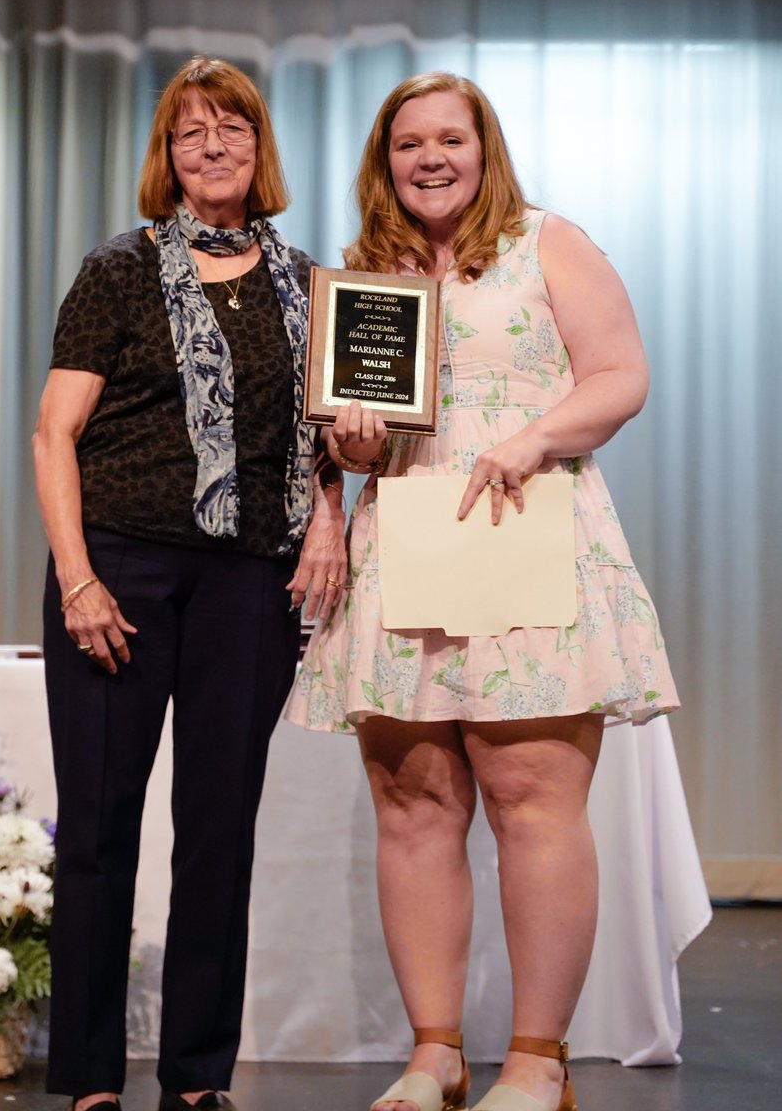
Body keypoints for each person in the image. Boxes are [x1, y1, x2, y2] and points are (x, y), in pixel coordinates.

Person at [284, 72, 679, 1111]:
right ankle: (435, 1054)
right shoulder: (367, 274)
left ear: (482, 147)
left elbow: (618, 375)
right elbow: (343, 431)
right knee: (414, 803)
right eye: (407, 143)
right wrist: (352, 440)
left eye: (448, 139)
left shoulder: (548, 242)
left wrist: (530, 438)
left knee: (530, 799)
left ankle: (537, 1064)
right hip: (406, 537)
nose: (429, 158)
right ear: (384, 159)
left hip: (527, 530)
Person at [32, 56, 347, 1111]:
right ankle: (83, 1076)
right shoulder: (118, 270)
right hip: (117, 568)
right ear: (164, 158)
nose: (210, 147)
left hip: (250, 583)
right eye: (188, 133)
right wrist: (77, 580)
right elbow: (53, 433)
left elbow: (330, 446)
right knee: (99, 828)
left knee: (220, 826)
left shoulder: (312, 287)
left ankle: (197, 1078)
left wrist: (329, 521)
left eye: (231, 130)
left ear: (262, 152)